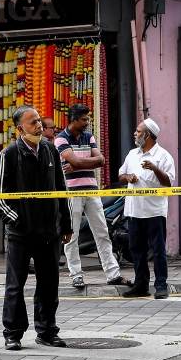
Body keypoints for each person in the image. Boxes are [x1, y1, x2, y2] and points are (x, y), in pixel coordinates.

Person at [0, 105, 73, 351]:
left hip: (49, 232)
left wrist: (65, 224)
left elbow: (62, 191)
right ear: (20, 128)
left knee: (49, 284)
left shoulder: (50, 150)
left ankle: (47, 331)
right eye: (32, 123)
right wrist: (17, 220)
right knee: (15, 285)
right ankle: (13, 333)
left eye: (39, 121)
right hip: (20, 234)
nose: (38, 126)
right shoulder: (8, 154)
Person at [55, 104, 129, 289]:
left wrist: (79, 164)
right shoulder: (61, 139)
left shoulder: (88, 137)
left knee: (102, 232)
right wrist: (87, 162)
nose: (87, 122)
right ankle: (76, 275)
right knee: (72, 236)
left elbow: (101, 160)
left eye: (88, 119)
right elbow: (85, 160)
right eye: (84, 119)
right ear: (73, 119)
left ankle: (113, 273)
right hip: (72, 193)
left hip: (92, 190)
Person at [118, 118, 176, 299]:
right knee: (136, 250)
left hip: (154, 211)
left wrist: (155, 168)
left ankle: (161, 285)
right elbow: (120, 175)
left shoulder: (163, 156)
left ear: (148, 135)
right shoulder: (132, 154)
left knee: (158, 250)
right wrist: (128, 177)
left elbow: (168, 183)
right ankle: (141, 284)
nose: (135, 134)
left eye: (138, 131)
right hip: (134, 210)